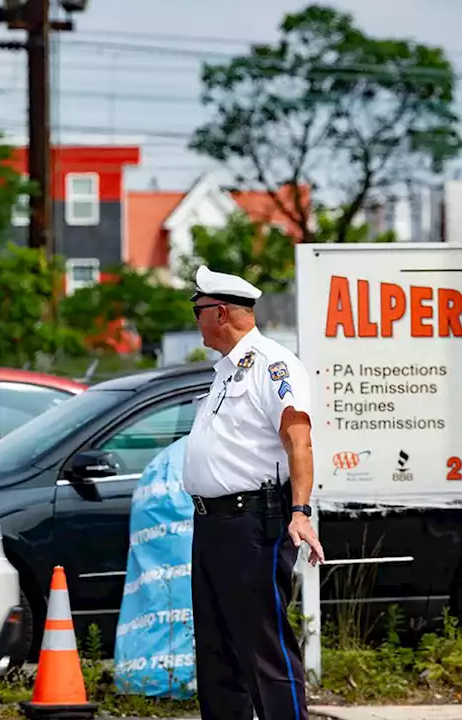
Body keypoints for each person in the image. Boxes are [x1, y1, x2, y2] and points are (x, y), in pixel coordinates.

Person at [182, 266, 326, 720]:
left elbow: (298, 438)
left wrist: (301, 511)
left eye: (198, 310)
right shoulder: (226, 370)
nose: (195, 319)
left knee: (262, 645)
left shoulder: (273, 364)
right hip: (212, 524)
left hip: (252, 524)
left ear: (220, 313)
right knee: (217, 649)